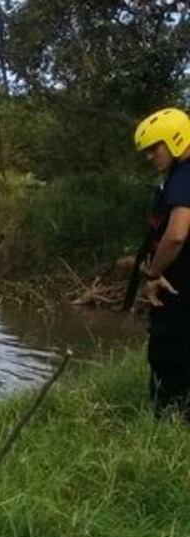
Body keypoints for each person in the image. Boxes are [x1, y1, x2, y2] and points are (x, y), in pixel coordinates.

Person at [134, 108, 190, 420]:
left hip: (180, 282)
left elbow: (178, 233)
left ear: (174, 140)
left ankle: (169, 423)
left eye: (154, 148)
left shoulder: (184, 175)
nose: (150, 157)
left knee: (169, 353)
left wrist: (154, 272)